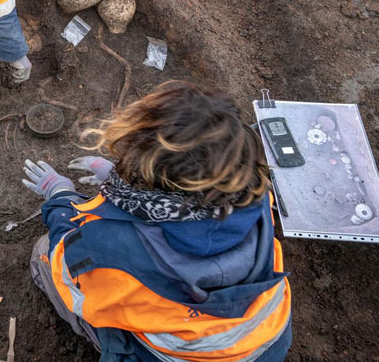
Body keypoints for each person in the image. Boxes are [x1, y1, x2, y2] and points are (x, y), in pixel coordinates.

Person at [21, 81, 292, 362]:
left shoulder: (114, 245)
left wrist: (60, 197)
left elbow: (71, 282)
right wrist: (118, 181)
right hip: (266, 339)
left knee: (44, 253)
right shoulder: (253, 192)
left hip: (169, 355)